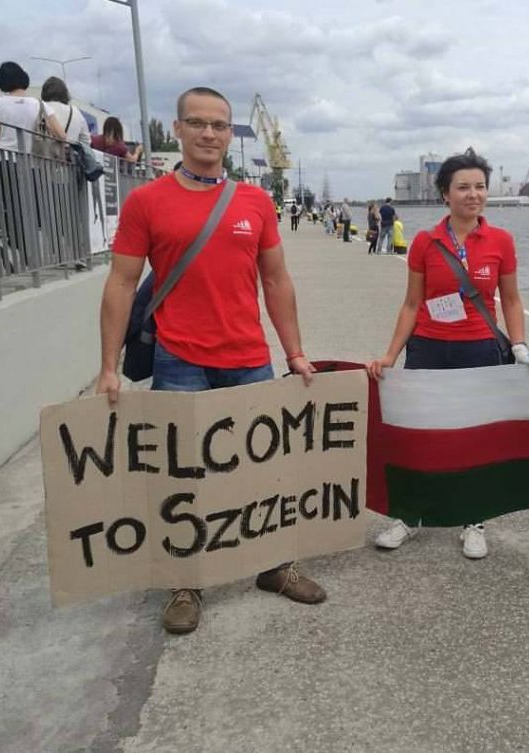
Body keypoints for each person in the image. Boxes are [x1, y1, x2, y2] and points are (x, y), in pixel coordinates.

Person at [95, 86, 326, 635]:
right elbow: (122, 283)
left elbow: (276, 279)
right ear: (176, 130)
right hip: (179, 361)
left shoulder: (254, 202)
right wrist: (108, 365)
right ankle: (185, 581)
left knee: (263, 472)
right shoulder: (146, 202)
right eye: (196, 123)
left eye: (219, 125)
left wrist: (294, 352)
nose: (208, 133)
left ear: (229, 134)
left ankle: (273, 565)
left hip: (249, 357)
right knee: (182, 477)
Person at [366, 148, 529, 559]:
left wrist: (518, 344)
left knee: (475, 438)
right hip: (428, 348)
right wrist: (391, 355)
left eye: (480, 186)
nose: (473, 194)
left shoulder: (501, 241)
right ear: (445, 193)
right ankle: (409, 515)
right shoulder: (426, 242)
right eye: (463, 187)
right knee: (419, 434)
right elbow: (412, 304)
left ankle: (473, 518)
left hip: (479, 349)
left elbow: (511, 300)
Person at [0, 61, 66, 268]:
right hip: (30, 164)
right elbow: (61, 134)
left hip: (3, 163)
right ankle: (28, 254)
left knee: (10, 209)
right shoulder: (39, 105)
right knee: (32, 210)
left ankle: (17, 246)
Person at [40, 76, 90, 146]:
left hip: (42, 154)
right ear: (65, 93)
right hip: (69, 155)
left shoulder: (39, 108)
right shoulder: (76, 112)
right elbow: (86, 140)